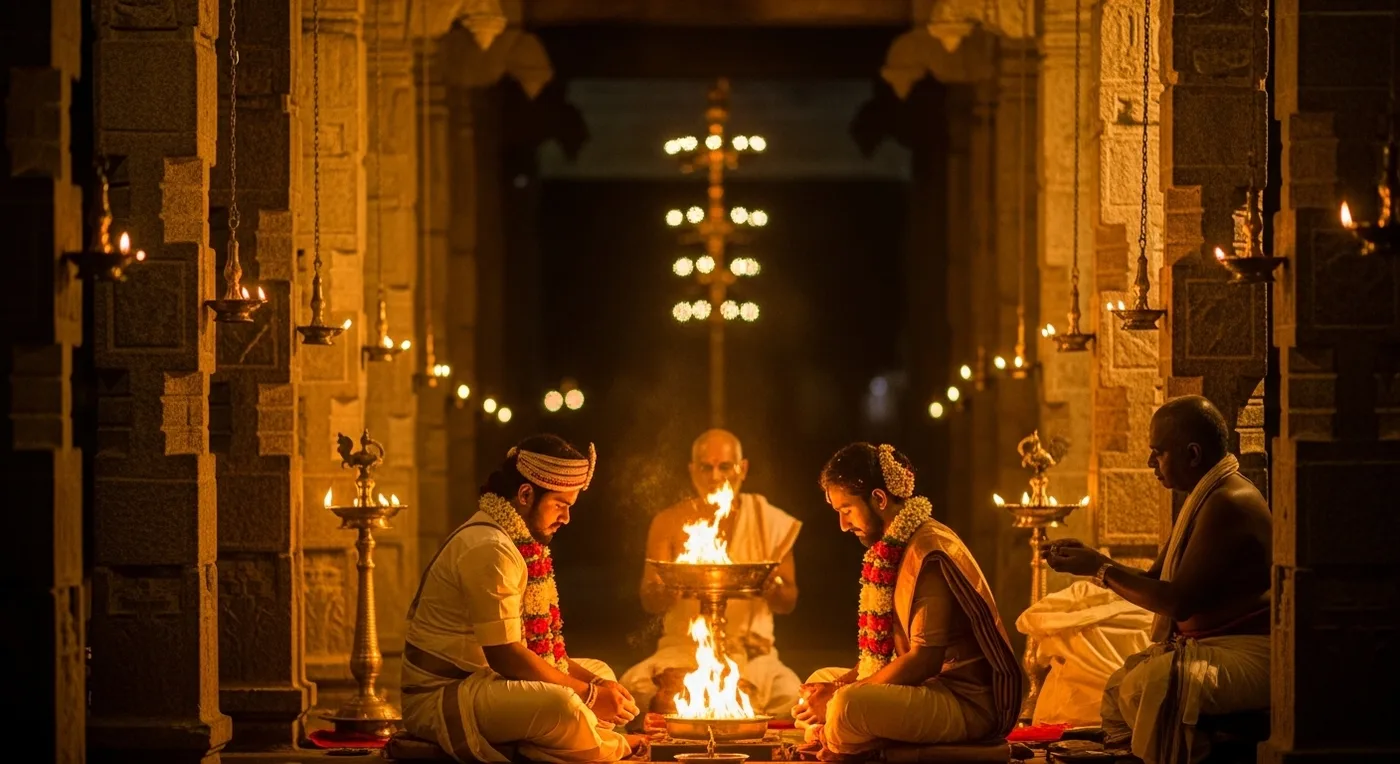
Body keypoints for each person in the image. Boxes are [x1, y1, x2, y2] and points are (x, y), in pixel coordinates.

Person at [1042, 395, 1271, 764]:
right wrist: (1094, 561)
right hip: (1218, 644)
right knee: (1120, 685)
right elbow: (1154, 578)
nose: (1151, 462)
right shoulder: (1206, 496)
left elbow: (1177, 601)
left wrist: (1100, 569)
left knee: (1151, 685)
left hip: (1252, 651)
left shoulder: (1229, 502)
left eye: (1158, 452)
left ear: (1193, 455)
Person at [400, 435, 642, 763]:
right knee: (564, 707)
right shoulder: (491, 546)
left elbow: (539, 652)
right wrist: (588, 694)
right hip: (445, 695)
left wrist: (596, 685)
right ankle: (611, 747)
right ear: (526, 494)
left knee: (601, 672)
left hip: (490, 682)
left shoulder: (515, 540)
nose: (566, 518)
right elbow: (506, 656)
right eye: (560, 505)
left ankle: (547, 745)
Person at [792, 443, 1023, 759]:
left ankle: (860, 741)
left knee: (846, 708)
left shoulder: (928, 550)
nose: (843, 525)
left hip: (960, 700)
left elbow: (923, 660)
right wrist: (834, 686)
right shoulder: (894, 546)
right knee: (818, 681)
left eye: (846, 510)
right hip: (922, 688)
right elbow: (886, 653)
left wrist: (838, 695)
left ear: (879, 499)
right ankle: (859, 738)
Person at [620, 428, 803, 720]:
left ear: (742, 468)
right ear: (693, 471)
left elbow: (788, 600)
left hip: (754, 654)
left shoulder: (769, 520)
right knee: (634, 690)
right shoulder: (668, 522)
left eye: (725, 466)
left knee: (792, 697)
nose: (715, 476)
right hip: (684, 650)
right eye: (706, 467)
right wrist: (669, 587)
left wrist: (772, 588)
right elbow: (649, 599)